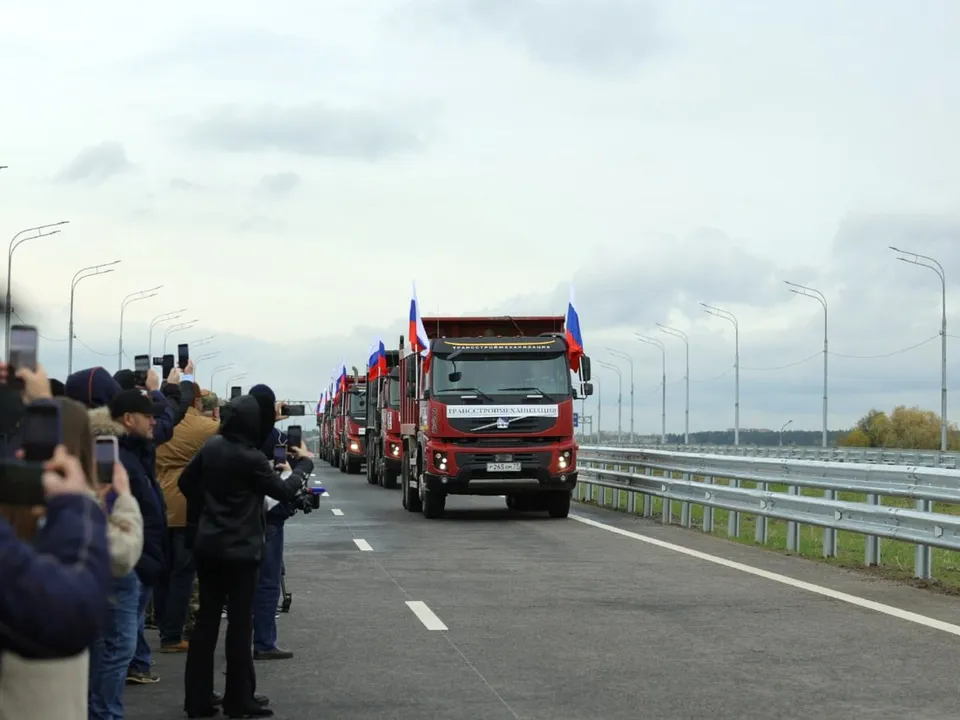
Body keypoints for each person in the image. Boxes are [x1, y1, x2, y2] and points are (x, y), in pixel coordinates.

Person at [179, 393, 314, 719]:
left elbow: (185, 482)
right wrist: (305, 464)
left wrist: (209, 510)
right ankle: (239, 699)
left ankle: (197, 700)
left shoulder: (211, 448)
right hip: (242, 550)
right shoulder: (251, 458)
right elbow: (283, 491)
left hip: (209, 546)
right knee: (240, 627)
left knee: (206, 625)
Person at [153, 385, 219, 653]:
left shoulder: (157, 424)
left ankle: (163, 628)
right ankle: (172, 634)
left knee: (161, 574)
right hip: (185, 507)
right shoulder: (202, 427)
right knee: (183, 574)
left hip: (157, 500)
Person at [248, 386, 295, 661]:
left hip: (236, 519)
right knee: (267, 582)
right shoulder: (276, 438)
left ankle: (241, 638)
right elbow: (281, 471)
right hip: (269, 516)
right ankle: (264, 641)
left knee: (242, 584)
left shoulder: (233, 436)